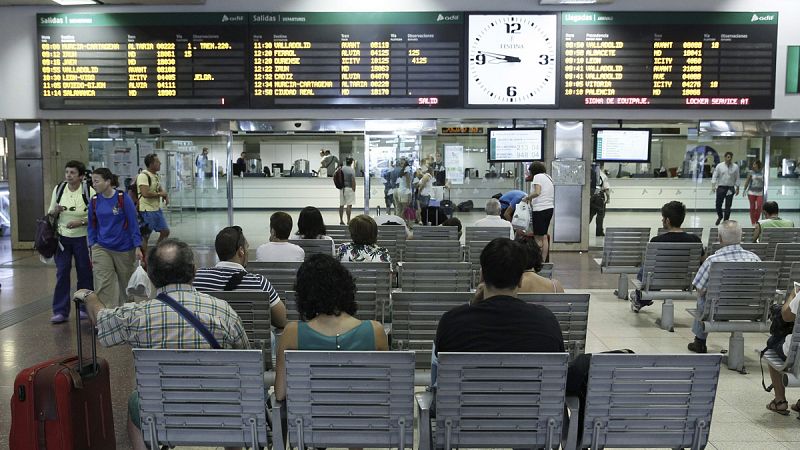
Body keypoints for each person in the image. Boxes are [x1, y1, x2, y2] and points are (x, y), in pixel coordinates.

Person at [73, 238, 250, 450]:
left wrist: (89, 295)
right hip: (220, 410)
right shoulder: (223, 311)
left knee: (136, 402)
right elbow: (245, 362)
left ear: (152, 277)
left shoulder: (137, 316)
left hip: (162, 410)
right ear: (193, 271)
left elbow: (100, 318)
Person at [431, 238, 564, 385]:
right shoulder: (547, 322)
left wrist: (472, 305)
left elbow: (440, 375)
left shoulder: (451, 322)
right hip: (528, 406)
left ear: (481, 276)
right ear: (520, 280)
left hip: (468, 406)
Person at [275, 254, 389, 400]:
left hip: (310, 421)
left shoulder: (292, 333)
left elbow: (280, 393)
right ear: (346, 287)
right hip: (365, 419)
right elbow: (386, 389)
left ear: (304, 294)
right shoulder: (375, 331)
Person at [193, 225, 289, 330]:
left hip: (211, 343)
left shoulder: (198, 277)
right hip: (250, 343)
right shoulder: (259, 282)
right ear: (241, 250)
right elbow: (282, 320)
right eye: (247, 247)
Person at [688, 220, 761, 353]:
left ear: (720, 238)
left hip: (717, 310)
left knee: (702, 295)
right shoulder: (754, 258)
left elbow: (699, 288)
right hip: (750, 310)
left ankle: (700, 340)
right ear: (741, 237)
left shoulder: (712, 260)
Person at [630, 201, 703, 312]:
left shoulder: (656, 241)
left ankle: (640, 300)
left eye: (663, 218)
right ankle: (639, 299)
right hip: (687, 282)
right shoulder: (695, 240)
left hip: (659, 280)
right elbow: (702, 261)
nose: (662, 220)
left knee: (645, 269)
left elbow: (650, 266)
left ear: (668, 221)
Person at [48, 160, 95, 323]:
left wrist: (80, 222)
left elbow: (95, 216)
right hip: (62, 238)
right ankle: (60, 311)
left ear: (81, 176)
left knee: (85, 274)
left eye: (73, 173)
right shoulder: (59, 189)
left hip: (82, 239)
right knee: (62, 273)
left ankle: (84, 307)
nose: (69, 175)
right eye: (67, 172)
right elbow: (50, 213)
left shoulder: (88, 191)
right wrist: (56, 211)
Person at [88, 168, 143, 307]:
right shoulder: (94, 201)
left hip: (124, 248)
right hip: (101, 247)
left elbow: (133, 222)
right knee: (103, 284)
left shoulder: (122, 198)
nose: (93, 184)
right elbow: (92, 224)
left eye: (96, 181)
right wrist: (93, 244)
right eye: (92, 181)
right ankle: (106, 318)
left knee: (127, 284)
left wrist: (137, 245)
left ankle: (128, 313)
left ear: (108, 181)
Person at [765, 285, 800, 415]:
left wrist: (793, 295)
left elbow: (786, 316)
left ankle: (780, 401)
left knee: (771, 344)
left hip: (797, 353)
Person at [137, 153, 170, 248]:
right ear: (151, 164)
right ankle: (145, 260)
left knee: (165, 231)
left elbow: (159, 188)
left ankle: (155, 252)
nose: (160, 163)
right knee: (145, 236)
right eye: (157, 161)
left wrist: (165, 195)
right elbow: (145, 193)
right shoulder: (143, 176)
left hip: (156, 209)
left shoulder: (155, 176)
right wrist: (160, 194)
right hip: (146, 210)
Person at [525, 162, 555, 262]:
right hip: (549, 209)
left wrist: (527, 198)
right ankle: (543, 261)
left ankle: (537, 261)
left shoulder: (537, 177)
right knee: (544, 236)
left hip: (540, 209)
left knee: (538, 238)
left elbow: (537, 192)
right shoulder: (548, 177)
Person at [711, 151, 740, 226]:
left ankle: (725, 222)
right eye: (727, 157)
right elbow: (714, 176)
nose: (729, 159)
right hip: (721, 187)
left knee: (728, 206)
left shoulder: (735, 167)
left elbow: (737, 178)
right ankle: (720, 216)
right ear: (725, 157)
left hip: (730, 188)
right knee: (718, 204)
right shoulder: (719, 166)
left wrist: (737, 188)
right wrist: (713, 186)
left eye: (730, 157)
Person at [589, 163, 610, 237]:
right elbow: (606, 189)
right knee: (600, 215)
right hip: (599, 197)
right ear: (602, 166)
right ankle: (599, 232)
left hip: (590, 196)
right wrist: (608, 198)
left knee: (590, 214)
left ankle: (582, 229)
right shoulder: (603, 175)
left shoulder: (589, 174)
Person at [742, 159, 765, 225]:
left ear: (758, 165)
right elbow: (747, 181)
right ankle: (753, 222)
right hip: (751, 192)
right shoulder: (751, 172)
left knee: (759, 206)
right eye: (753, 164)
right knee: (752, 207)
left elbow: (765, 182)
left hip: (760, 192)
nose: (753, 165)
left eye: (754, 164)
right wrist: (744, 190)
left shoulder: (763, 173)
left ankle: (756, 220)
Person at [394, 157, 413, 224]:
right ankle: (402, 223)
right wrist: (410, 194)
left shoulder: (402, 170)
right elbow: (408, 184)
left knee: (401, 209)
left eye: (402, 162)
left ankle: (402, 223)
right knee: (404, 209)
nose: (401, 163)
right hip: (404, 192)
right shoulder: (407, 171)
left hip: (400, 191)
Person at [339, 157, 356, 225]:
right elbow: (353, 180)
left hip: (342, 188)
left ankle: (341, 220)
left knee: (341, 205)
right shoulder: (351, 170)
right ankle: (348, 220)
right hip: (349, 188)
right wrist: (354, 188)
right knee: (349, 205)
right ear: (351, 162)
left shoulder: (341, 168)